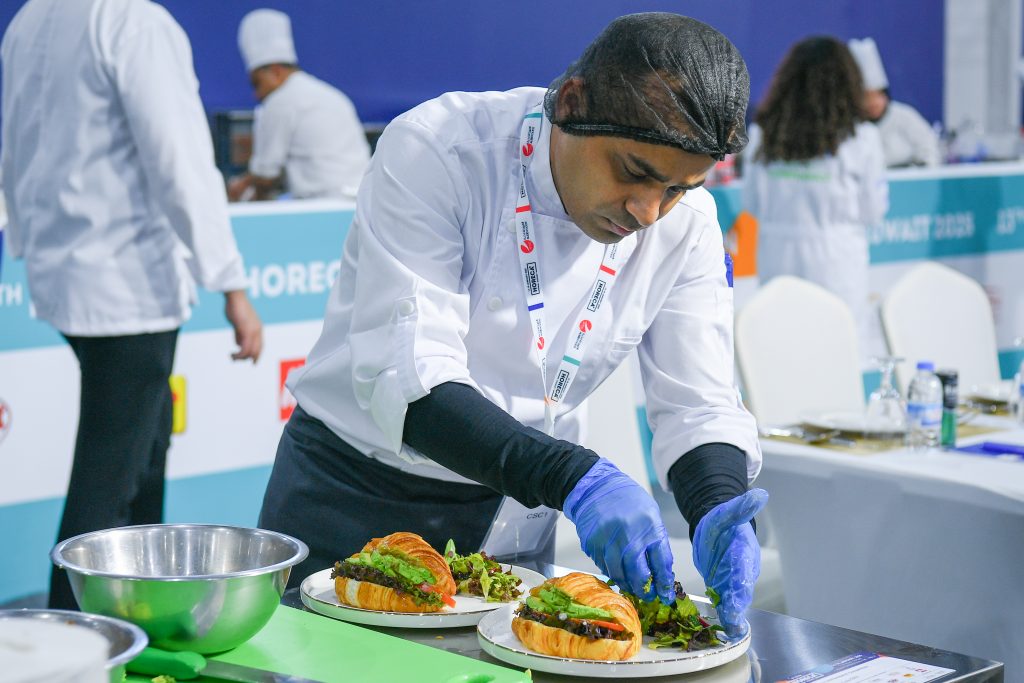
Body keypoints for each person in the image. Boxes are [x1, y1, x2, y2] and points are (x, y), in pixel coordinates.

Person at [258, 13, 767, 638]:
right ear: (572, 103)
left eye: (678, 189)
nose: (648, 212)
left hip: (514, 520)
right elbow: (412, 379)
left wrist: (717, 503)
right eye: (634, 172)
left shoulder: (687, 226)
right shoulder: (437, 151)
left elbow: (698, 404)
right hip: (358, 501)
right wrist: (572, 477)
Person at [0, 0, 263, 609]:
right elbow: (180, 161)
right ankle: (73, 637)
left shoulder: (30, 19)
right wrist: (230, 283)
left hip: (67, 271)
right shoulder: (133, 22)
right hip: (126, 285)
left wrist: (29, 243)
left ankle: (137, 615)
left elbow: (14, 144)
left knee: (144, 452)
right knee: (108, 482)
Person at [743, 36, 889, 354]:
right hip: (838, 262)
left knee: (781, 349)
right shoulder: (862, 140)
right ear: (848, 82)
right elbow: (873, 210)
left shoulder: (763, 135)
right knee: (838, 352)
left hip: (777, 257)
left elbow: (751, 204)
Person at [227, 9, 371, 202]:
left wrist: (242, 190)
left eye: (257, 84)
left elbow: (266, 176)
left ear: (276, 71)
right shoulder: (329, 94)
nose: (256, 94)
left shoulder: (279, 101)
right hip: (361, 200)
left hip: (322, 205)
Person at [848, 37, 941, 168]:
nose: (873, 102)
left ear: (885, 95)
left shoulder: (904, 116)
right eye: (866, 97)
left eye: (877, 95)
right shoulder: (854, 124)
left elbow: (929, 149)